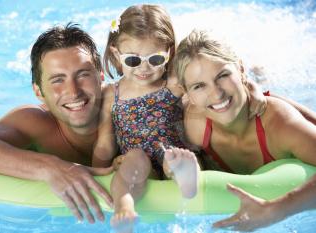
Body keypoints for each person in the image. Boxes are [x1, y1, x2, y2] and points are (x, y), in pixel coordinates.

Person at [92, 4, 267, 233]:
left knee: (175, 157)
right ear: (116, 53)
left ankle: (187, 180)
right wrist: (96, 173)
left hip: (174, 153)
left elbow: (217, 72)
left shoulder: (173, 81)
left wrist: (253, 87)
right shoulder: (110, 94)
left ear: (169, 53)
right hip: (137, 162)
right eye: (133, 60)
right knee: (134, 159)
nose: (144, 68)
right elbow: (105, 144)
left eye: (155, 59)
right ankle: (124, 204)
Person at [0, 23, 113, 224]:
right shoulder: (36, 122)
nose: (73, 91)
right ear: (38, 92)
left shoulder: (129, 113)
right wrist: (52, 168)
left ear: (101, 77)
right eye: (57, 80)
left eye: (83, 74)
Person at [173, 29, 316, 230]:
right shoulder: (193, 125)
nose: (216, 94)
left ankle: (259, 75)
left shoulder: (279, 125)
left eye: (222, 75)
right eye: (199, 86)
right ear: (186, 92)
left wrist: (275, 209)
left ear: (240, 69)